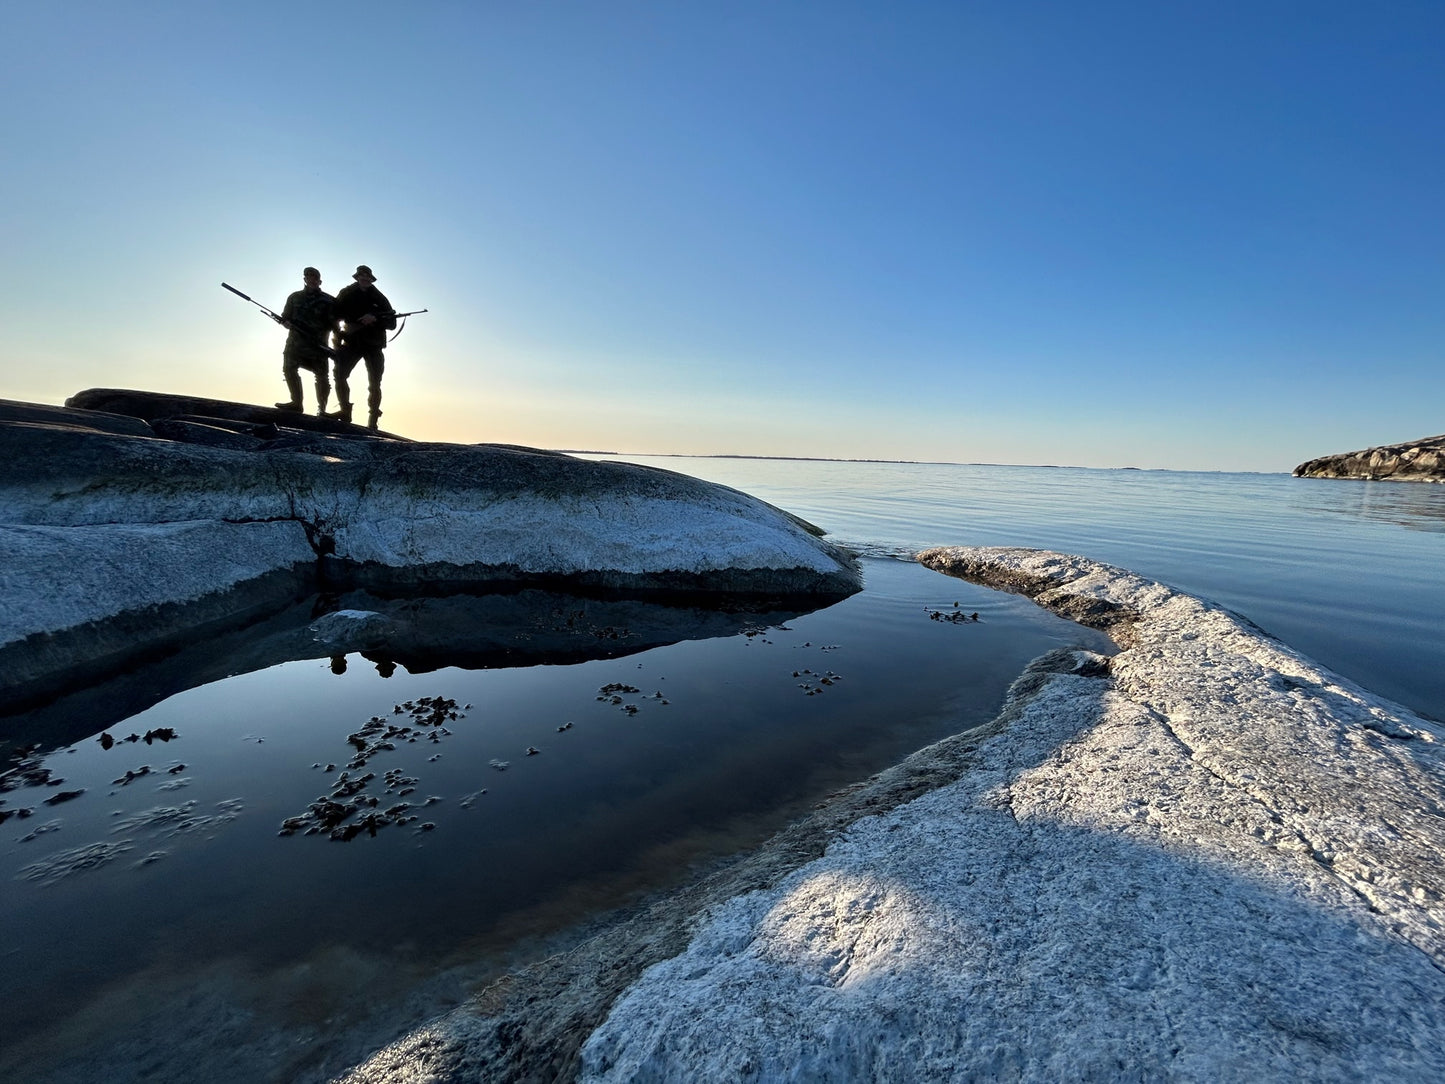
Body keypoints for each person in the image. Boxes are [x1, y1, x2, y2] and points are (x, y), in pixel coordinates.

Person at [330, 264, 397, 429]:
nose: (365, 279)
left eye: (367, 277)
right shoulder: (346, 293)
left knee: (375, 383)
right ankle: (345, 411)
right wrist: (337, 337)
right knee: (339, 375)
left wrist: (374, 318)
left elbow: (392, 323)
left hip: (374, 345)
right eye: (362, 276)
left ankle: (373, 419)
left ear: (371, 279)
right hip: (352, 343)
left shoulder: (380, 298)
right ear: (357, 277)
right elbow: (333, 315)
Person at [275, 267, 338, 415]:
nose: (312, 280)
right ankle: (296, 403)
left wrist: (337, 345)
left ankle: (322, 410)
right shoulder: (294, 297)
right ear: (305, 279)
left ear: (319, 281)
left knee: (322, 377)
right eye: (309, 277)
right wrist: (285, 322)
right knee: (289, 369)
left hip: (318, 346)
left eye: (315, 278)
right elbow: (285, 317)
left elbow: (336, 325)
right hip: (295, 344)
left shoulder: (329, 301)